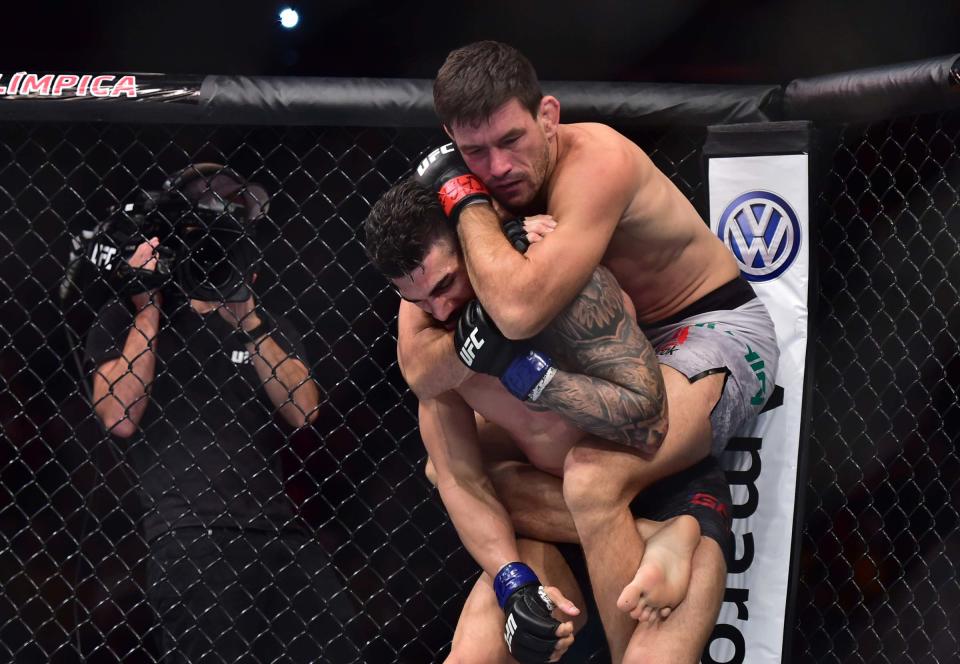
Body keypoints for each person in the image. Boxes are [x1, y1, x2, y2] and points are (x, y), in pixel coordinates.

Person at [402, 41, 780, 661]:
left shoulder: (595, 161)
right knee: (445, 466)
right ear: (450, 140)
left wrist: (467, 201)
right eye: (474, 153)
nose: (497, 167)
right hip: (595, 360)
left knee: (593, 476)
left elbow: (519, 310)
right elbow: (420, 370)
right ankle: (664, 532)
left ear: (548, 115)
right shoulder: (472, 196)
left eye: (512, 139)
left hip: (704, 331)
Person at [364, 178, 734, 663]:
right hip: (556, 527)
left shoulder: (559, 278)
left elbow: (645, 417)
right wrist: (512, 581)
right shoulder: (436, 351)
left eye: (445, 285)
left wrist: (530, 375)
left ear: (475, 245)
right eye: (418, 302)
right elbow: (460, 478)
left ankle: (666, 533)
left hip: (662, 498)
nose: (439, 310)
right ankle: (654, 537)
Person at [85, 164, 356, 663]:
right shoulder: (125, 320)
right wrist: (149, 304)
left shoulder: (264, 321)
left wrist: (247, 320)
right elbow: (119, 413)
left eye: (234, 217)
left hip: (281, 531)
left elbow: (303, 410)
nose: (223, 228)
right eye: (211, 217)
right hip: (191, 533)